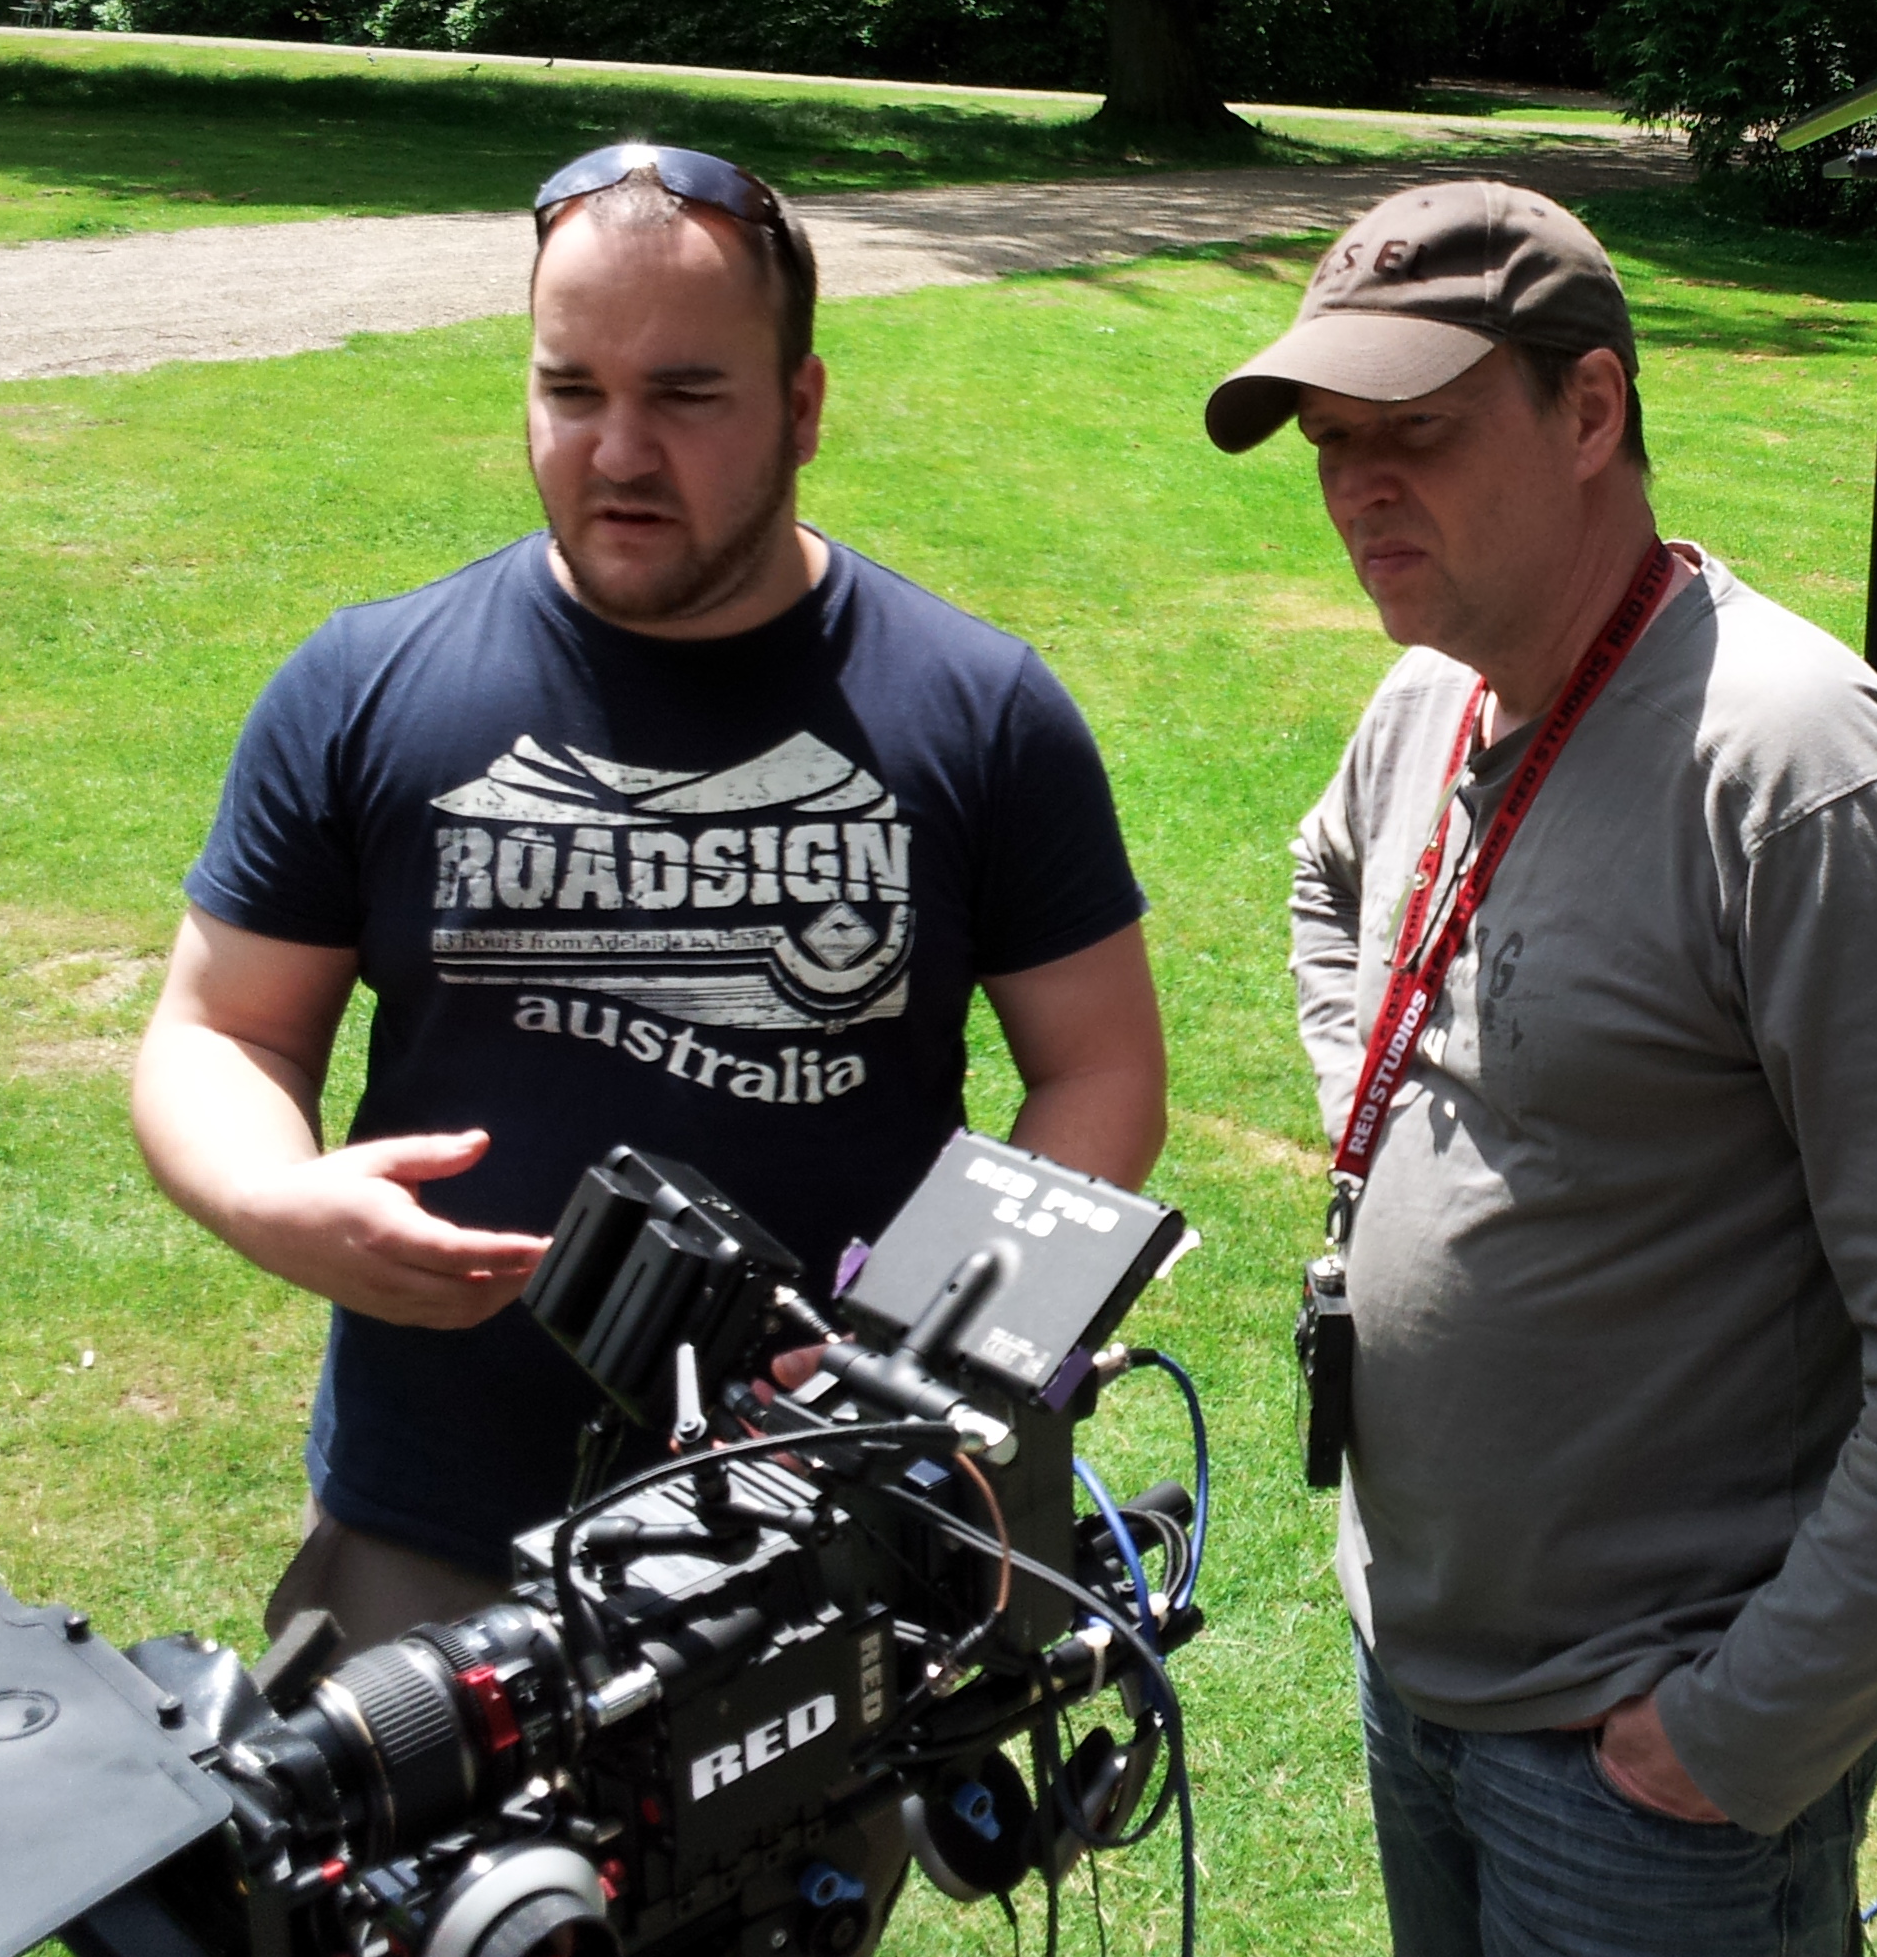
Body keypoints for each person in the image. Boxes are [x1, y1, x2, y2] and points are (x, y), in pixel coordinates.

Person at [1204, 180, 1877, 1953]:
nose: (1356, 489)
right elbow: (1329, 885)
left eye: (1416, 432)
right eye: (1331, 444)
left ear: (1593, 409)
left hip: (1645, 1768)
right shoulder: (1434, 698)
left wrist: (1746, 1725)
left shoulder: (1799, 777)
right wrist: (1369, 1108)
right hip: (1426, 1666)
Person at [134, 143, 1165, 1652]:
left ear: (802, 407)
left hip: (813, 1539)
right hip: (433, 1533)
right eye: (571, 391)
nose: (618, 453)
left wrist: (921, 1360)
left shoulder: (977, 711)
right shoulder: (369, 687)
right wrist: (267, 1196)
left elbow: (1102, 1068)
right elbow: (221, 1029)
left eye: (687, 397)